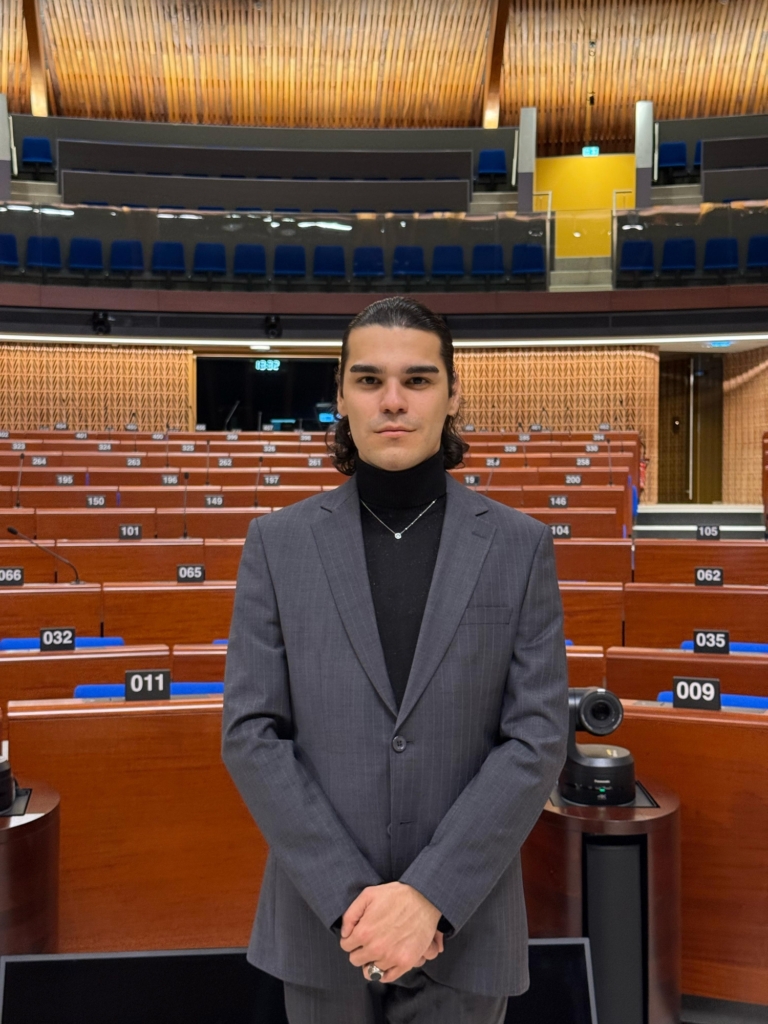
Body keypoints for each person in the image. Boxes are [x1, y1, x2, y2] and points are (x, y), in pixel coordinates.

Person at [222, 296, 569, 1024]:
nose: (393, 401)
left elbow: (535, 737)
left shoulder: (519, 546)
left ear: (451, 396)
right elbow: (251, 735)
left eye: (417, 379)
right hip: (326, 932)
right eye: (369, 379)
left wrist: (430, 897)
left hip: (464, 930)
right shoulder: (276, 544)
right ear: (341, 396)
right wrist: (357, 905)